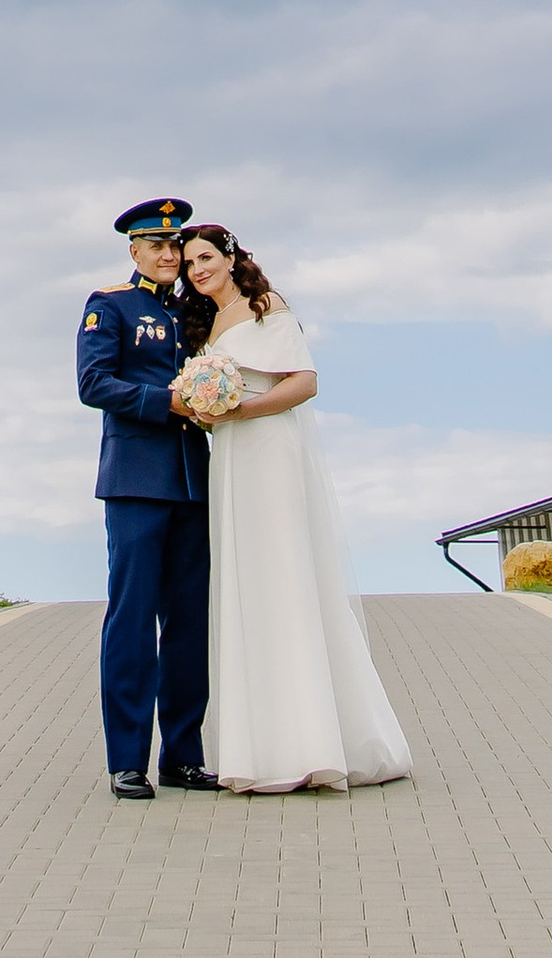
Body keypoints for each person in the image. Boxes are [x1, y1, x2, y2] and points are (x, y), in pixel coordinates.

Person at [179, 223, 412, 793]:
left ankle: (316, 742)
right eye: (189, 264)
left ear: (231, 258)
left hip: (270, 454)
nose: (198, 270)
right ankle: (265, 750)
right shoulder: (206, 324)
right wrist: (202, 408)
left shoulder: (266, 308)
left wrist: (239, 412)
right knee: (249, 588)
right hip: (231, 460)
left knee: (286, 579)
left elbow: (304, 382)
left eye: (206, 257)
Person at [77, 195, 214, 800]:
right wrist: (168, 404)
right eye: (156, 244)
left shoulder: (195, 312)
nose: (168, 253)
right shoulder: (110, 305)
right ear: (133, 249)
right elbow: (94, 383)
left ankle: (183, 755)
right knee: (132, 620)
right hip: (136, 480)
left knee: (188, 625)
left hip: (194, 484)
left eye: (175, 244)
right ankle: (127, 759)